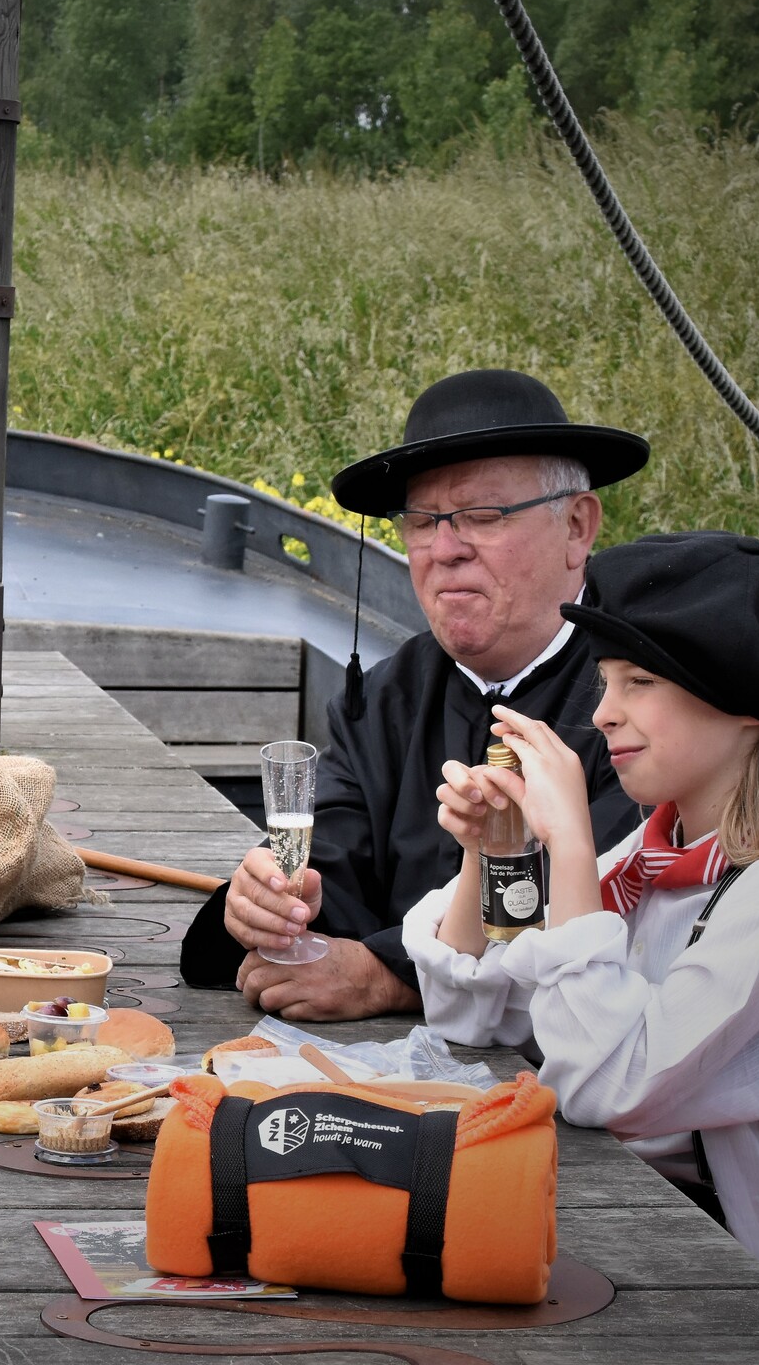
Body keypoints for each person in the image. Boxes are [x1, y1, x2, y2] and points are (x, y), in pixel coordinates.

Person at [406, 531, 759, 1365]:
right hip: (701, 1259)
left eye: (639, 683)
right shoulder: (654, 860)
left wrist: (572, 851)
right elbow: (474, 1012)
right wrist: (497, 852)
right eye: (606, 682)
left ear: (742, 704)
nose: (602, 713)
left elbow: (611, 1087)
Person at [181, 368, 645, 1019]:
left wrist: (388, 977)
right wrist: (268, 900)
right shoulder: (390, 693)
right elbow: (331, 851)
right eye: (423, 522)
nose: (444, 550)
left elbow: (606, 904)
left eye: (482, 516)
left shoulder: (644, 700)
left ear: (577, 527)